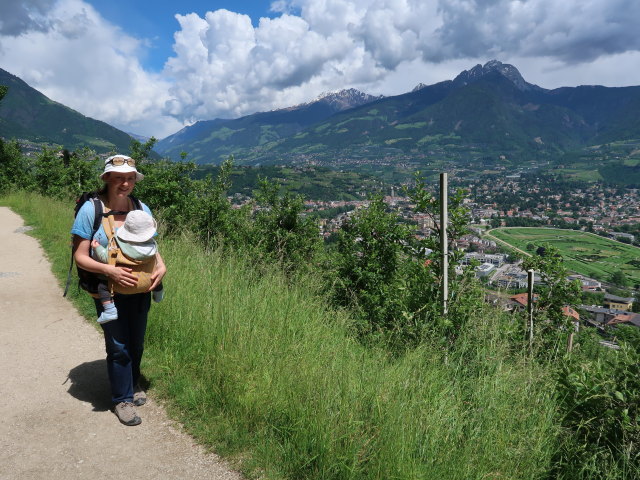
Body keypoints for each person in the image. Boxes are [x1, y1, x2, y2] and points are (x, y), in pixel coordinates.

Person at [71, 154, 167, 426]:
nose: (125, 183)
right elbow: (81, 255)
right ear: (107, 179)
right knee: (119, 346)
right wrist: (110, 270)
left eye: (129, 178)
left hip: (141, 289)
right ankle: (122, 399)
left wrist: (162, 266)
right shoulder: (92, 210)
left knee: (136, 341)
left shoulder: (140, 208)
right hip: (107, 292)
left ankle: (132, 381)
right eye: (118, 178)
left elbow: (151, 247)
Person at [91, 209, 164, 324]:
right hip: (147, 284)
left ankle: (110, 310)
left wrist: (97, 247)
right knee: (156, 274)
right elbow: (157, 261)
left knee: (103, 285)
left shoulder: (117, 244)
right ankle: (158, 293)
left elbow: (106, 258)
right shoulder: (152, 245)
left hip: (121, 285)